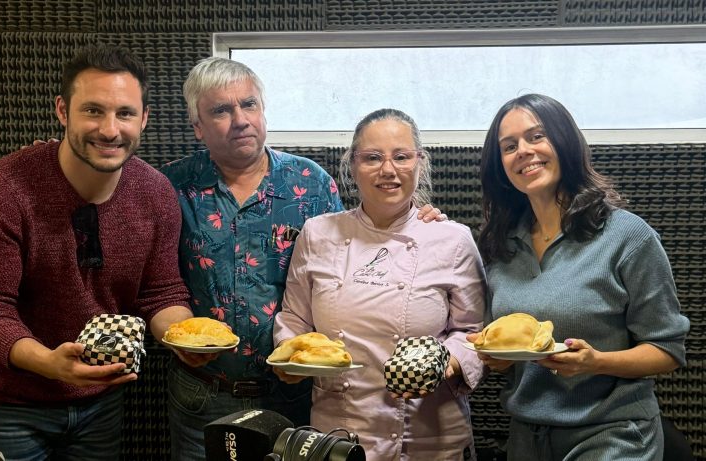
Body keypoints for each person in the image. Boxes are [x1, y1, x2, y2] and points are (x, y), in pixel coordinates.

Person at [159, 58, 445, 461]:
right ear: (198, 127)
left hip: (292, 395)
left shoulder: (309, 183)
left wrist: (419, 218)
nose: (240, 119)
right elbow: (153, 281)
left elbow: (359, 248)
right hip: (203, 393)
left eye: (249, 104)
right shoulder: (170, 186)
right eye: (221, 111)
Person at [0, 45, 193, 461]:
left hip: (102, 404)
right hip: (9, 403)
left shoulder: (156, 193)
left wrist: (188, 339)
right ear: (63, 111)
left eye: (125, 113)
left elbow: (161, 293)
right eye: (93, 111)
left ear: (145, 118)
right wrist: (47, 362)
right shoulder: (0, 189)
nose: (110, 129)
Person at [470, 94, 689, 461]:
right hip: (526, 436)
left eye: (536, 137)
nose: (523, 151)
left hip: (612, 435)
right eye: (509, 146)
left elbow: (667, 351)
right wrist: (499, 359)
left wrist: (596, 361)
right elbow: (508, 347)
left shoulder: (627, 237)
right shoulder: (500, 246)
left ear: (565, 143)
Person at [272, 108, 486, 460]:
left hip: (431, 433)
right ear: (352, 165)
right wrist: (291, 358)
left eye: (401, 157)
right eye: (372, 158)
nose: (388, 170)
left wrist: (445, 364)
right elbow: (294, 318)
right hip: (339, 433)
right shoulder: (318, 233)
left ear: (420, 162)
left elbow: (475, 332)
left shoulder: (453, 239)